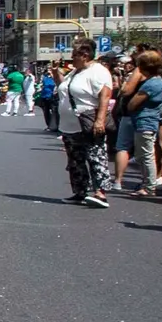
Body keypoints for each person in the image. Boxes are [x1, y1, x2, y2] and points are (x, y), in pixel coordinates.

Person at [57, 39, 114, 206]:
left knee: (96, 157)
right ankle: (80, 192)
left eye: (74, 55)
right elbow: (64, 89)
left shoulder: (98, 71)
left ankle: (100, 193)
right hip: (70, 125)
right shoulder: (75, 72)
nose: (71, 58)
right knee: (75, 160)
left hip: (88, 122)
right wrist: (56, 73)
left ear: (85, 55)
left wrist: (100, 120)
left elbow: (105, 96)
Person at [121, 48, 162, 195]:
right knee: (144, 155)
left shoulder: (150, 85)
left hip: (145, 122)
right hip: (148, 121)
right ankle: (147, 183)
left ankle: (149, 186)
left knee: (146, 155)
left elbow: (132, 104)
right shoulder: (157, 81)